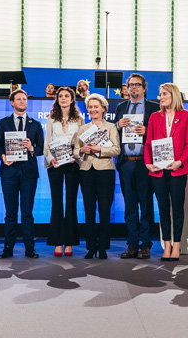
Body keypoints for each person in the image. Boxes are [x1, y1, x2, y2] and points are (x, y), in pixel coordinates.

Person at [145, 83, 188, 262]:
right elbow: (148, 143)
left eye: (164, 94)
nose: (160, 97)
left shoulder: (187, 116)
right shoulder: (154, 117)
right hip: (158, 171)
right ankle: (166, 244)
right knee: (163, 209)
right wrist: (148, 164)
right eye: (160, 94)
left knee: (178, 210)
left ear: (174, 95)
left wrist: (179, 162)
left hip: (178, 170)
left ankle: (177, 244)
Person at [114, 73, 160, 259]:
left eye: (137, 85)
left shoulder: (154, 108)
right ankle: (132, 244)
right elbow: (113, 134)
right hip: (126, 163)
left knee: (146, 205)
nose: (134, 88)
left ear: (144, 88)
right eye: (130, 85)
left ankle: (146, 245)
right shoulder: (121, 107)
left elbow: (163, 133)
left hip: (145, 163)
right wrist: (117, 124)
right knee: (129, 206)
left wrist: (149, 131)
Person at [0, 89, 44, 259]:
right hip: (9, 171)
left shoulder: (35, 124)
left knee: (27, 213)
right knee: (10, 212)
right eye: (19, 99)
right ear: (12, 103)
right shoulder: (2, 123)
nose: (22, 101)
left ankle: (30, 248)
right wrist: (3, 156)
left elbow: (41, 148)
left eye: (24, 99)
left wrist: (31, 148)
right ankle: (8, 248)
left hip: (29, 172)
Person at [73, 94, 120, 259]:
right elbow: (74, 151)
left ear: (104, 109)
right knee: (89, 210)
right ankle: (91, 247)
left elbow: (116, 150)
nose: (93, 109)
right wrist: (81, 151)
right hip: (86, 171)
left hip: (105, 171)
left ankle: (103, 248)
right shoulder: (82, 129)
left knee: (104, 210)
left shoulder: (111, 127)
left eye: (96, 107)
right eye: (90, 107)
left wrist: (99, 149)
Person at [43, 87, 83, 257]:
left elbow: (81, 141)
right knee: (57, 202)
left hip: (73, 163)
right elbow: (47, 141)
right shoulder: (51, 118)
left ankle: (70, 242)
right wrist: (50, 158)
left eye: (67, 96)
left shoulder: (79, 119)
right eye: (60, 96)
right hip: (56, 164)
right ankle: (57, 241)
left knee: (71, 202)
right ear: (57, 99)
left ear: (72, 99)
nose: (63, 98)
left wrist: (76, 155)